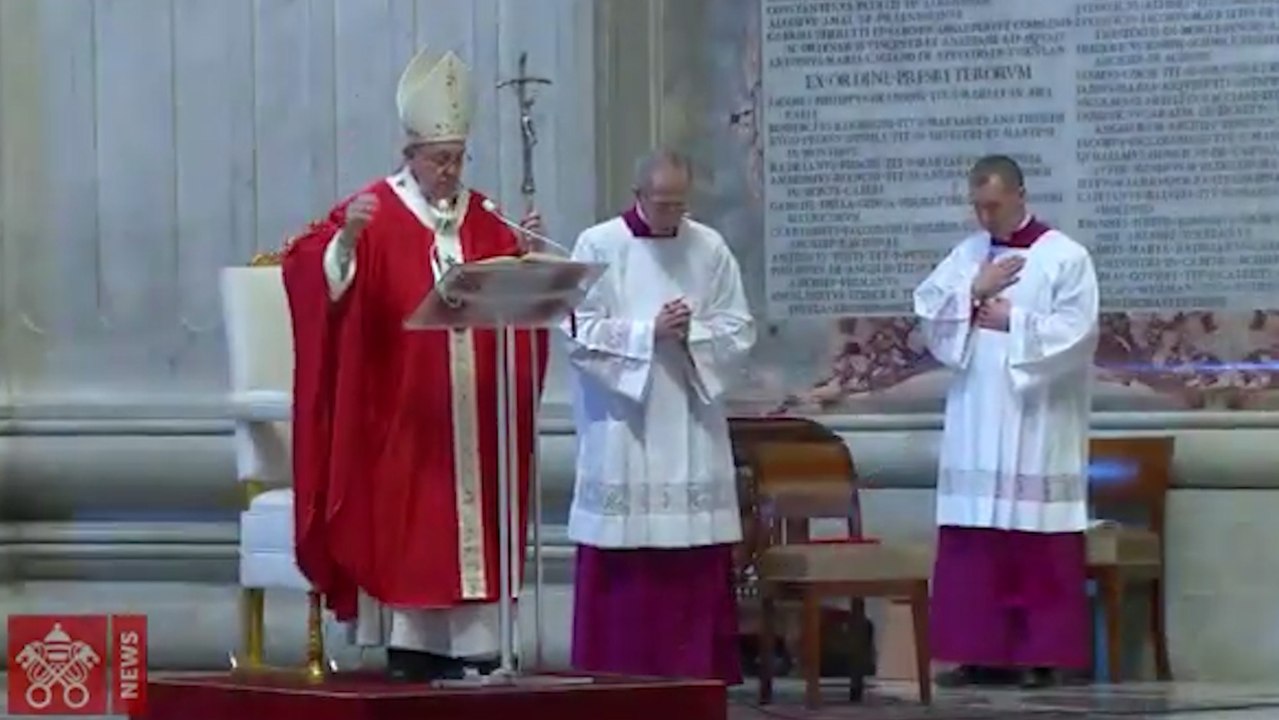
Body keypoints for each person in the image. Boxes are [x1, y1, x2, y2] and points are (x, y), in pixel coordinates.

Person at [282, 47, 548, 683]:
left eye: (458, 158)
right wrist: (345, 244)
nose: (450, 171)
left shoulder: (485, 218)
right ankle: (412, 646)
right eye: (439, 159)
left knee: (472, 518)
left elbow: (515, 299)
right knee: (411, 521)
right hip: (399, 411)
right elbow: (311, 272)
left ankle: (477, 648)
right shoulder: (374, 208)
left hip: (472, 415)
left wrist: (528, 257)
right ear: (410, 155)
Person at [564, 150, 756, 683]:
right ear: (637, 195)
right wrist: (648, 332)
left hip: (690, 418)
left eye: (679, 204)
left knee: (691, 557)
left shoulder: (709, 246)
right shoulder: (599, 246)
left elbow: (739, 329)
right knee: (626, 557)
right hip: (627, 423)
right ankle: (616, 671)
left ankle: (693, 671)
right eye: (661, 203)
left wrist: (690, 332)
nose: (671, 215)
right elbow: (578, 329)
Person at [914, 155, 1100, 689]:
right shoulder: (968, 255)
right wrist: (973, 291)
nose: (985, 216)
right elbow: (929, 311)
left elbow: (1079, 332)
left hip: (1036, 418)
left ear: (1020, 194)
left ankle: (1041, 655)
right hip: (978, 413)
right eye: (977, 206)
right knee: (978, 536)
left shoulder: (1065, 257)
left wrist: (1011, 320)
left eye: (993, 205)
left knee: (1035, 534)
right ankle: (978, 652)